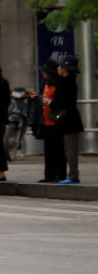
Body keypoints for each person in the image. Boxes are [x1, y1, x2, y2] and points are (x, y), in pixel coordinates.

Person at [53, 54, 84, 184]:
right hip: (66, 121)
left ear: (65, 68)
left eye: (60, 66)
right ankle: (70, 175)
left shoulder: (69, 82)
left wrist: (52, 102)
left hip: (70, 121)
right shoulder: (64, 81)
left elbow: (64, 102)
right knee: (67, 149)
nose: (58, 68)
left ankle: (73, 176)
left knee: (71, 150)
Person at [38, 60, 65, 184]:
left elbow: (60, 102)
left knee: (58, 149)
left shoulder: (58, 85)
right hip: (47, 121)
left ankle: (60, 174)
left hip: (56, 121)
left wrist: (50, 102)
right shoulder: (46, 85)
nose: (43, 73)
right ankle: (49, 174)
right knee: (48, 150)